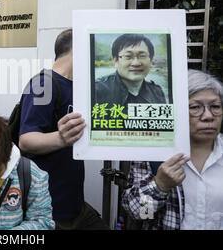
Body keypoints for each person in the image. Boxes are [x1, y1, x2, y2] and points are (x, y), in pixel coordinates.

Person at [18, 29, 108, 230]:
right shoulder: (43, 84)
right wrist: (61, 138)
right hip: (49, 209)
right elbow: (26, 139)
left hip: (75, 206)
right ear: (77, 50)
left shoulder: (79, 87)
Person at [121, 69, 223, 230]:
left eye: (215, 106)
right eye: (195, 107)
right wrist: (159, 185)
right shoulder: (154, 154)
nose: (208, 116)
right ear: (175, 110)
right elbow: (140, 213)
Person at [94, 34, 167, 107]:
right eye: (128, 56)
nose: (136, 63)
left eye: (142, 56)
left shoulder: (156, 91)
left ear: (151, 60)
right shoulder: (97, 90)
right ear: (115, 61)